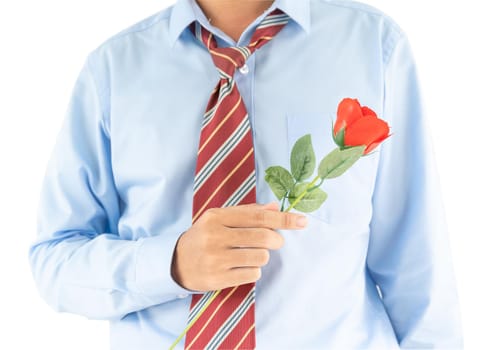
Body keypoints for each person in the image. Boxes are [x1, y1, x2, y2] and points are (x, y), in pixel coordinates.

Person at [29, 0, 463, 349]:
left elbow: (418, 266)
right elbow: (55, 261)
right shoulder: (112, 69)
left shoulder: (373, 45)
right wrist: (172, 264)